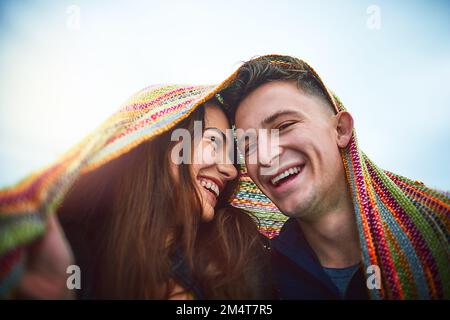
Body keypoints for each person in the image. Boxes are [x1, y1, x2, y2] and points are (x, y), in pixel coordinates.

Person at [0, 84, 271, 299]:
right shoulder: (69, 257)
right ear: (161, 144)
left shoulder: (237, 254)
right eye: (214, 142)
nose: (231, 170)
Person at [218, 54, 450, 299]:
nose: (264, 157)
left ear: (341, 129)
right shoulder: (256, 278)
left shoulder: (441, 233)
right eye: (249, 146)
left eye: (284, 126)